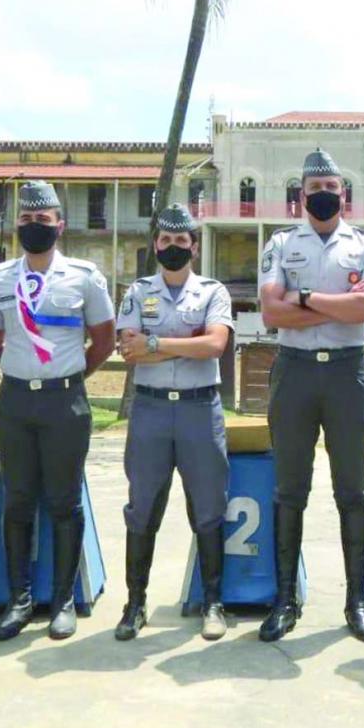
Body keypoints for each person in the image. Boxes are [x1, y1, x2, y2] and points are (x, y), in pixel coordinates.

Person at [256, 148, 364, 644]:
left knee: (352, 490)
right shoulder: (281, 244)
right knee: (289, 490)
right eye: (316, 190)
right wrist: (340, 308)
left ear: (343, 194)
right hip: (294, 374)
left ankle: (357, 602)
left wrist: (306, 298)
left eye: (332, 189)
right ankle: (285, 600)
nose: (325, 197)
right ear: (301, 195)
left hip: (347, 375)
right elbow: (272, 312)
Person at [0, 180, 116, 641]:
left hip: (65, 401)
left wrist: (69, 375)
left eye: (43, 219)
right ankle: (19, 601)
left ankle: (61, 601)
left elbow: (104, 339)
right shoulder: (0, 278)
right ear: (18, 224)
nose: (34, 226)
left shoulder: (84, 275)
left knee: (63, 501)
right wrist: (24, 374)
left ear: (60, 224)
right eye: (27, 219)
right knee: (17, 501)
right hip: (15, 399)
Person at [113, 203, 234, 642]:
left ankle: (213, 604)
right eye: (165, 240)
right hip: (150, 410)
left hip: (201, 410)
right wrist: (186, 342)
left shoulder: (213, 292)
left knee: (208, 507)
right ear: (156, 244)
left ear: (194, 246)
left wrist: (156, 343)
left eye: (181, 241)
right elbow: (128, 350)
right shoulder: (136, 291)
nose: (173, 247)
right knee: (142, 507)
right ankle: (135, 604)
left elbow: (216, 344)